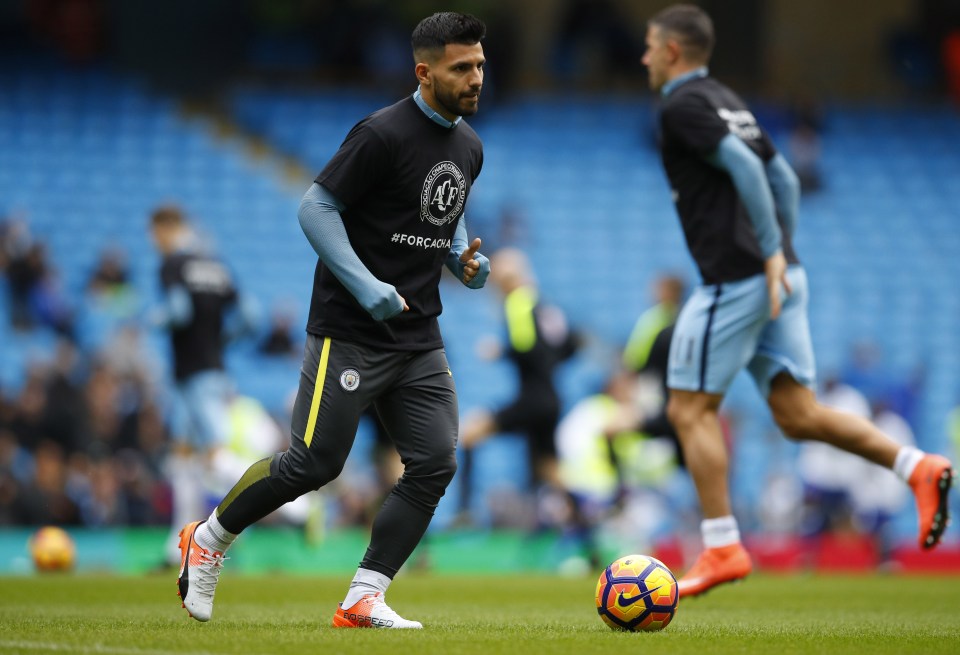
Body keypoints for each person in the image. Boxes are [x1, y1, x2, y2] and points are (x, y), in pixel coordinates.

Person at [175, 12, 490, 629]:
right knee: (312, 466)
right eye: (462, 67)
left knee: (435, 462)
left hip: (419, 335)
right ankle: (207, 540)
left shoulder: (470, 147)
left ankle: (363, 596)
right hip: (350, 331)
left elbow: (441, 212)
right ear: (424, 73)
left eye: (480, 65)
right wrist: (369, 286)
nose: (476, 77)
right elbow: (316, 207)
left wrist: (462, 259)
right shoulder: (381, 133)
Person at [641, 4, 954, 598]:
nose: (644, 57)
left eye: (650, 46)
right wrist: (783, 252)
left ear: (674, 51)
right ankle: (919, 466)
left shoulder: (682, 104)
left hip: (736, 278)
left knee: (688, 410)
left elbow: (740, 166)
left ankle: (722, 545)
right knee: (798, 414)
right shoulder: (729, 100)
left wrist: (766, 253)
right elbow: (781, 176)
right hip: (781, 277)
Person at [149, 206, 254, 567]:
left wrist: (154, 319)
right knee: (182, 456)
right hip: (210, 368)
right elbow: (250, 316)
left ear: (167, 228)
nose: (155, 241)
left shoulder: (172, 265)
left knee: (214, 455)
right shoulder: (217, 266)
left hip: (190, 372)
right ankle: (178, 545)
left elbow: (178, 311)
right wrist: (221, 341)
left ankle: (298, 503)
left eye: (156, 232)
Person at [458, 247, 579, 524]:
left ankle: (464, 512)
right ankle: (588, 538)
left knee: (470, 434)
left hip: (533, 397)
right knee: (551, 470)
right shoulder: (547, 306)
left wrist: (500, 351)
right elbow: (570, 345)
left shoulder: (518, 302)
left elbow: (526, 346)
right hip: (551, 397)